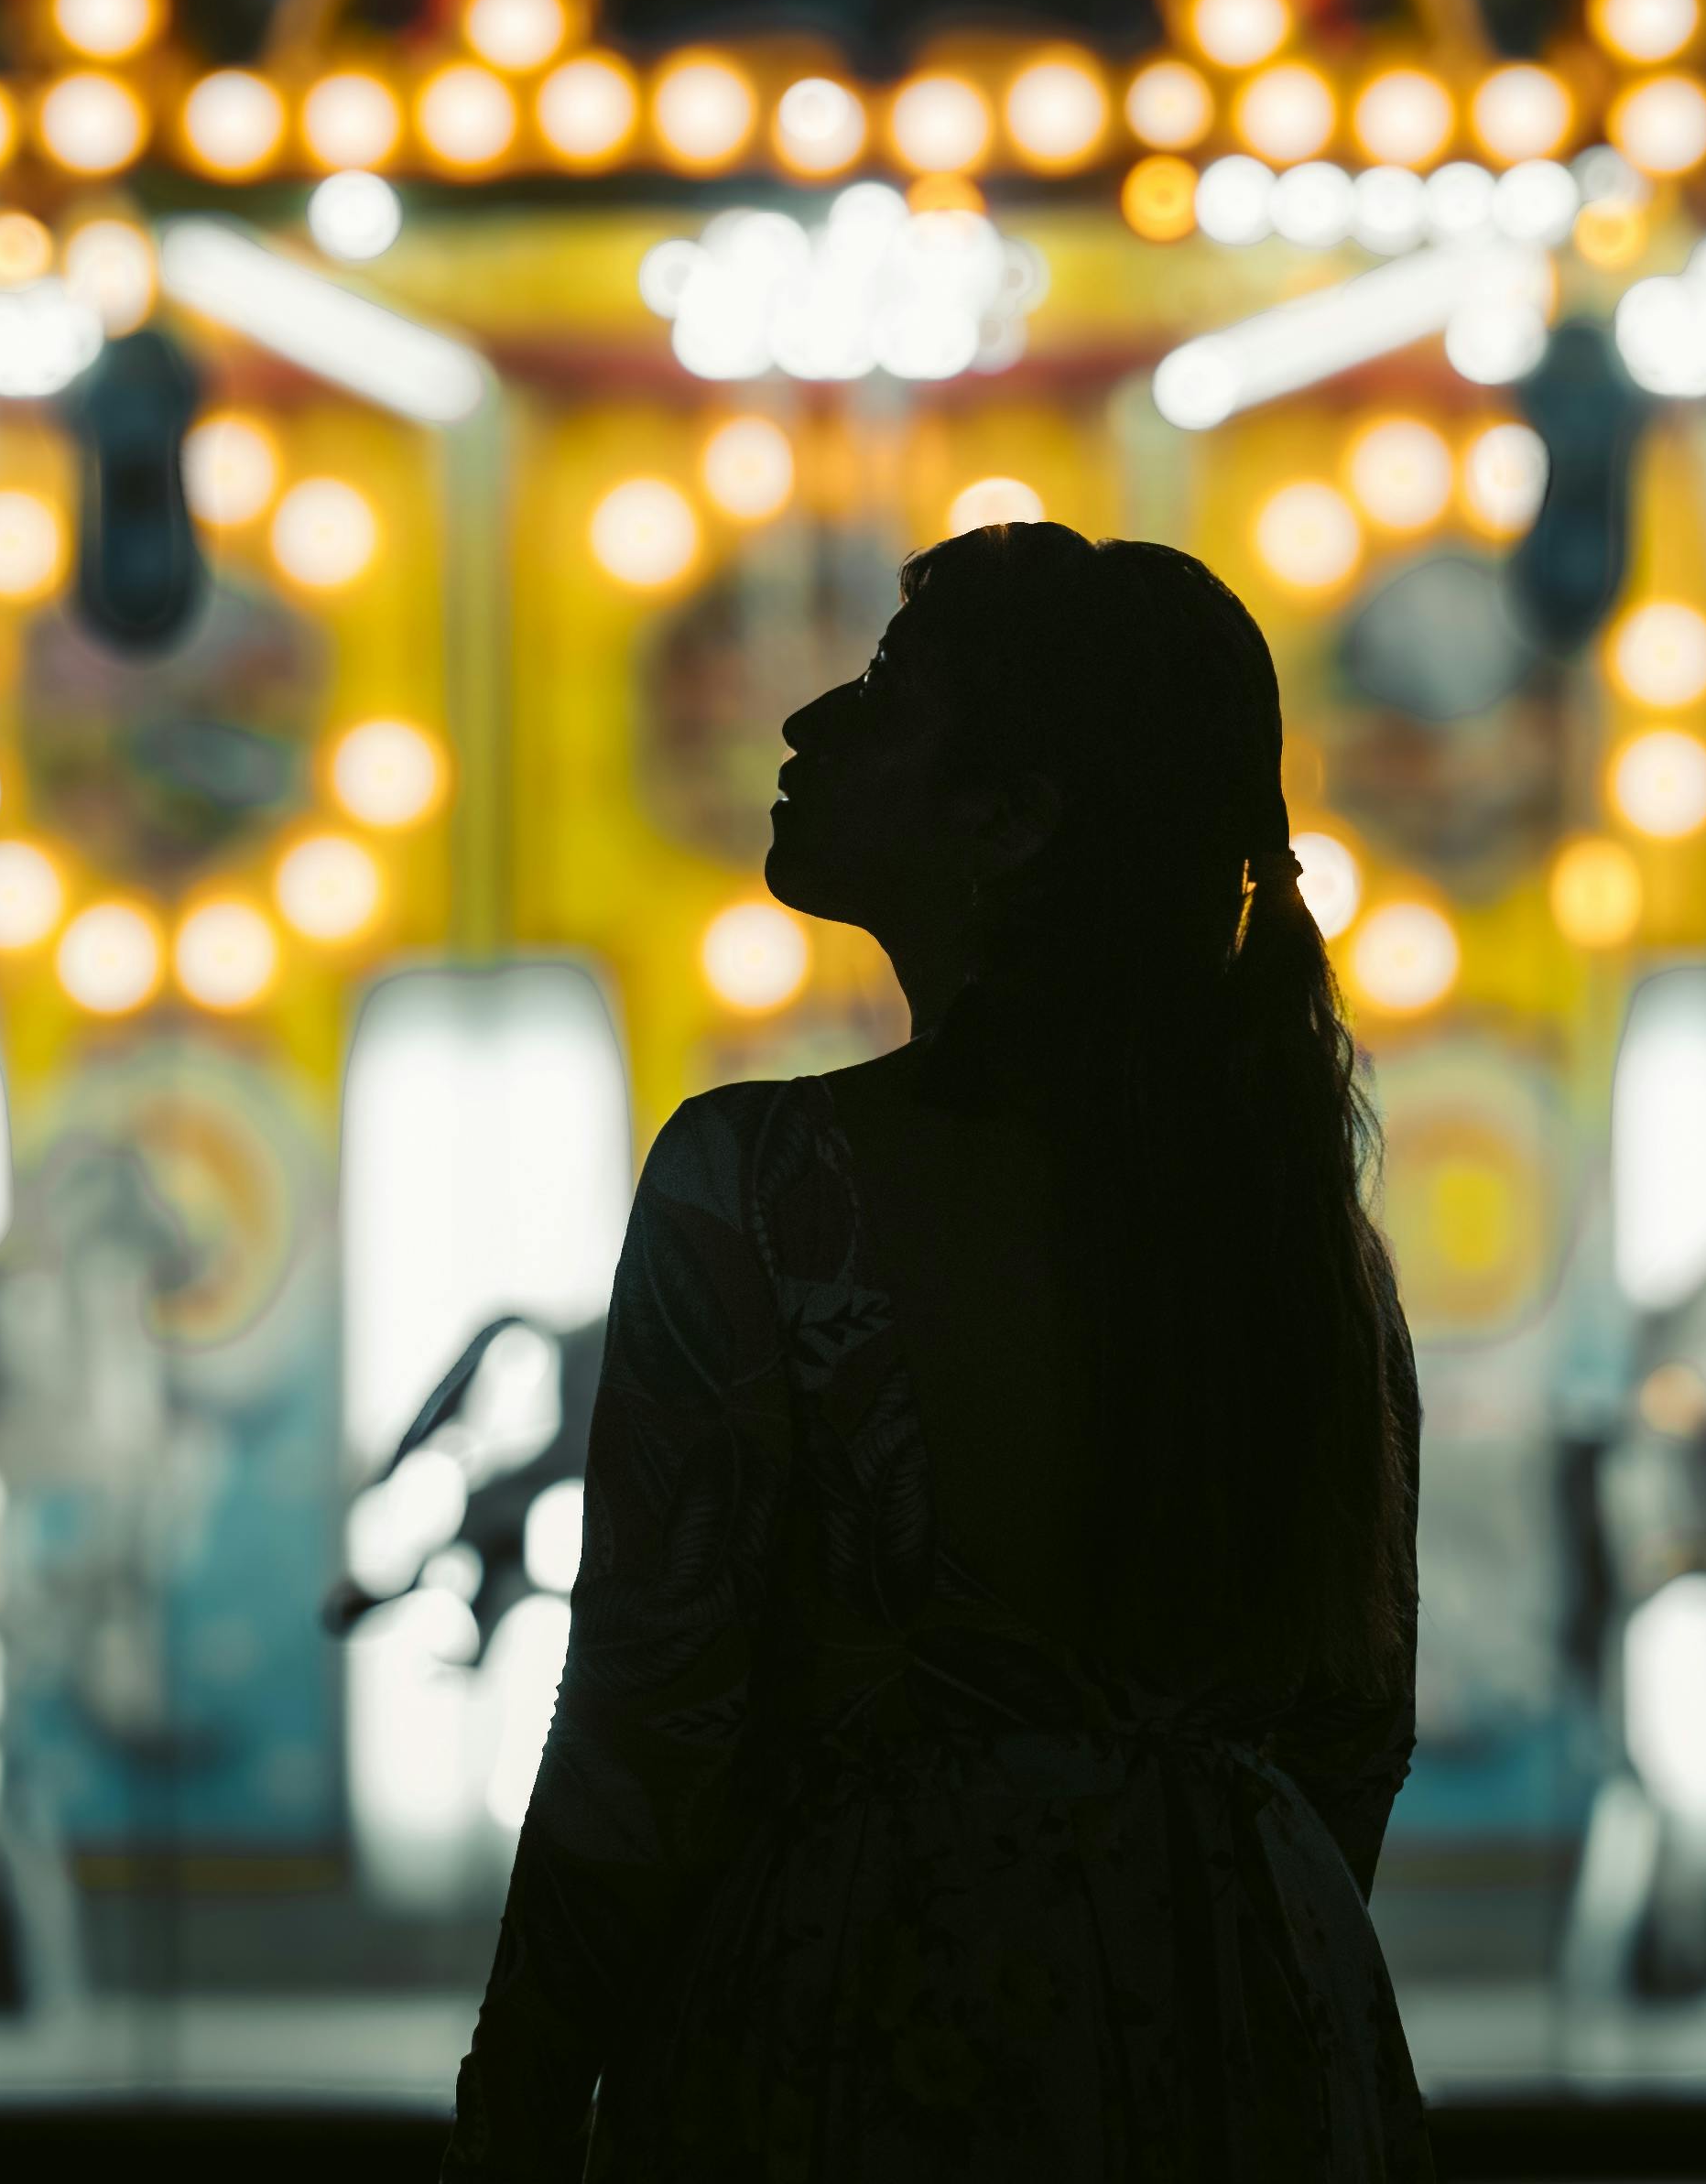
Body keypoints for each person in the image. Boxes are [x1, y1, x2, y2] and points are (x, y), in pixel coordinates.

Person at [449, 521, 1430, 2179]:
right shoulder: (1297, 1223)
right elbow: (1354, 1728)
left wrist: (528, 2076)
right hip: (1255, 2008)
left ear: (1011, 821)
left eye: (887, 700)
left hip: (871, 2010)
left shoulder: (757, 1186)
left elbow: (650, 1709)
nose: (803, 725)